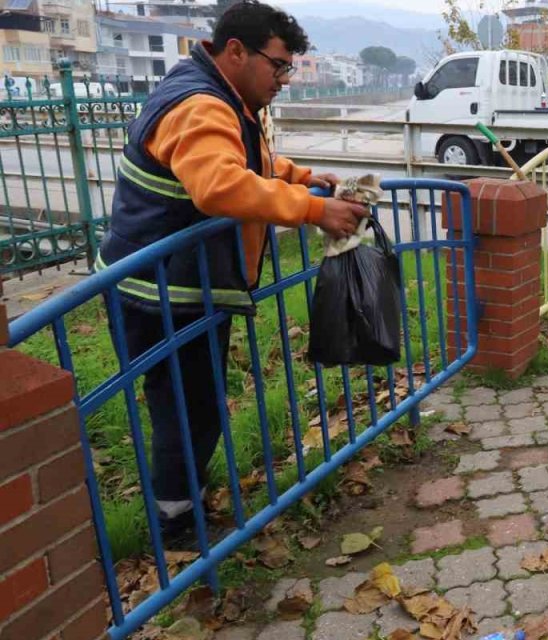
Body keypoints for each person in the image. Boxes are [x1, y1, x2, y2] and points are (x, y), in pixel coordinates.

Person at [96, 0, 368, 545]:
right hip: (161, 291)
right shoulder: (201, 105)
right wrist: (313, 208)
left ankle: (184, 501)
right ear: (237, 51)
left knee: (194, 402)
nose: (284, 80)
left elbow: (244, 162)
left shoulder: (217, 94)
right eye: (279, 65)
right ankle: (176, 526)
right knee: (186, 407)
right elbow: (219, 185)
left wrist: (299, 177)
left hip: (174, 282)